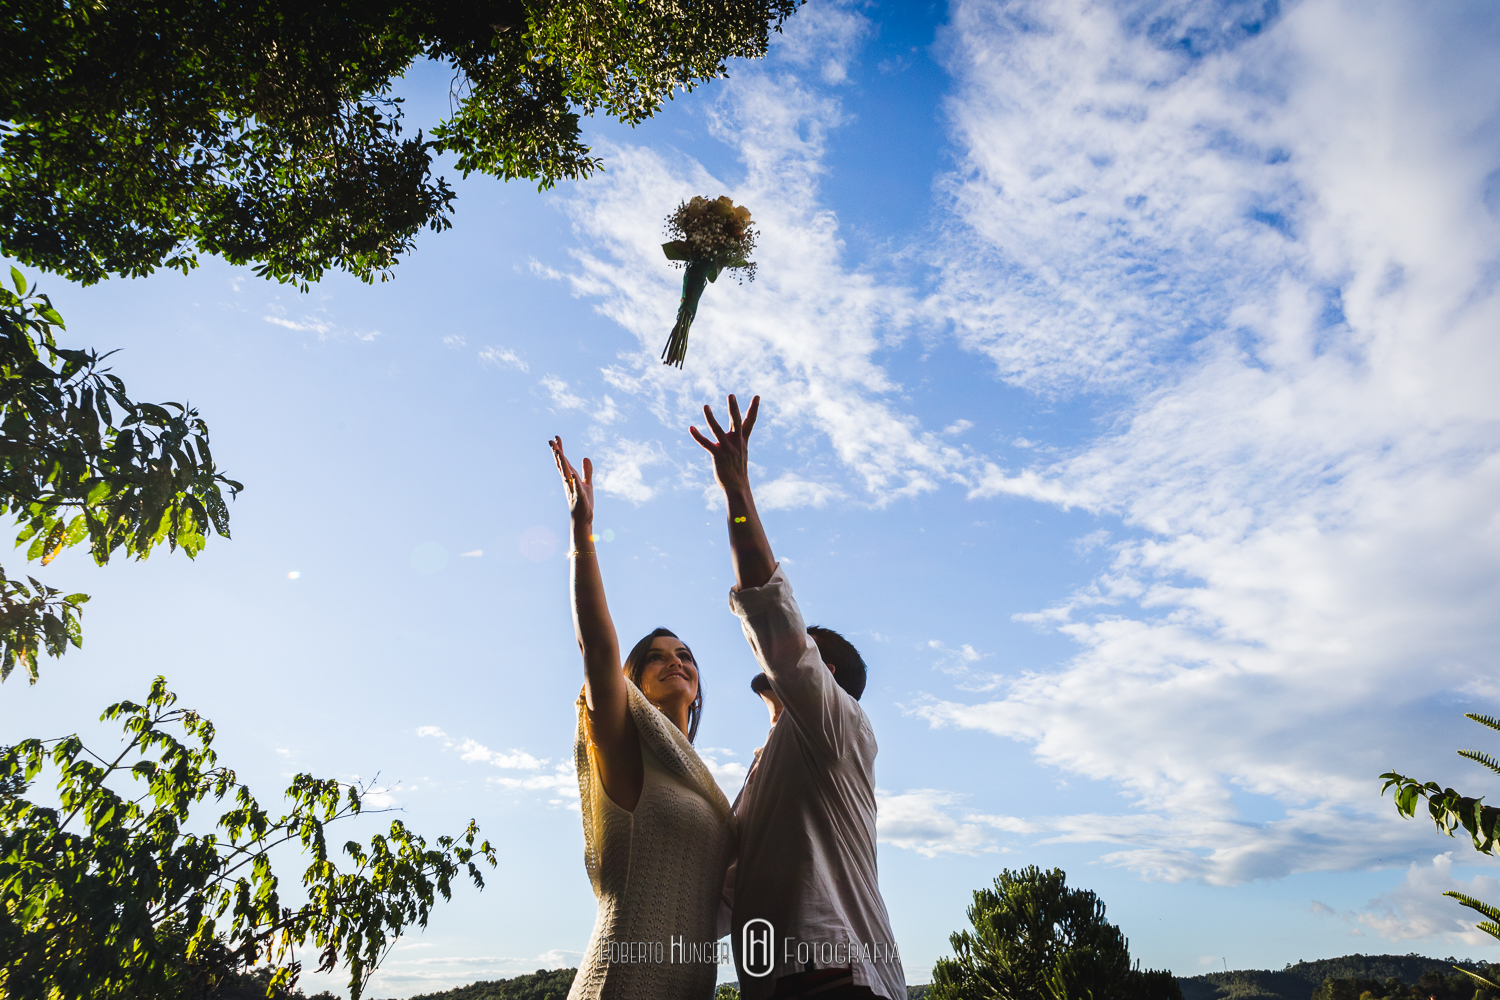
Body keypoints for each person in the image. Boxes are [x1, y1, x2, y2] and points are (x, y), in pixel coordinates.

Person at [690, 397, 906, 1000]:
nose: (786, 655)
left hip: (833, 979)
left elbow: (770, 610)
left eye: (808, 649)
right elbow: (722, 896)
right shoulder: (767, 773)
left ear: (826, 670)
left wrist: (736, 492)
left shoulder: (838, 726)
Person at [549, 437, 734, 1000]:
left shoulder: (702, 783)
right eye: (657, 655)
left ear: (697, 685)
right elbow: (597, 651)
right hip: (620, 983)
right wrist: (583, 534)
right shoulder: (626, 742)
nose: (675, 661)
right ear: (634, 678)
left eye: (685, 655)